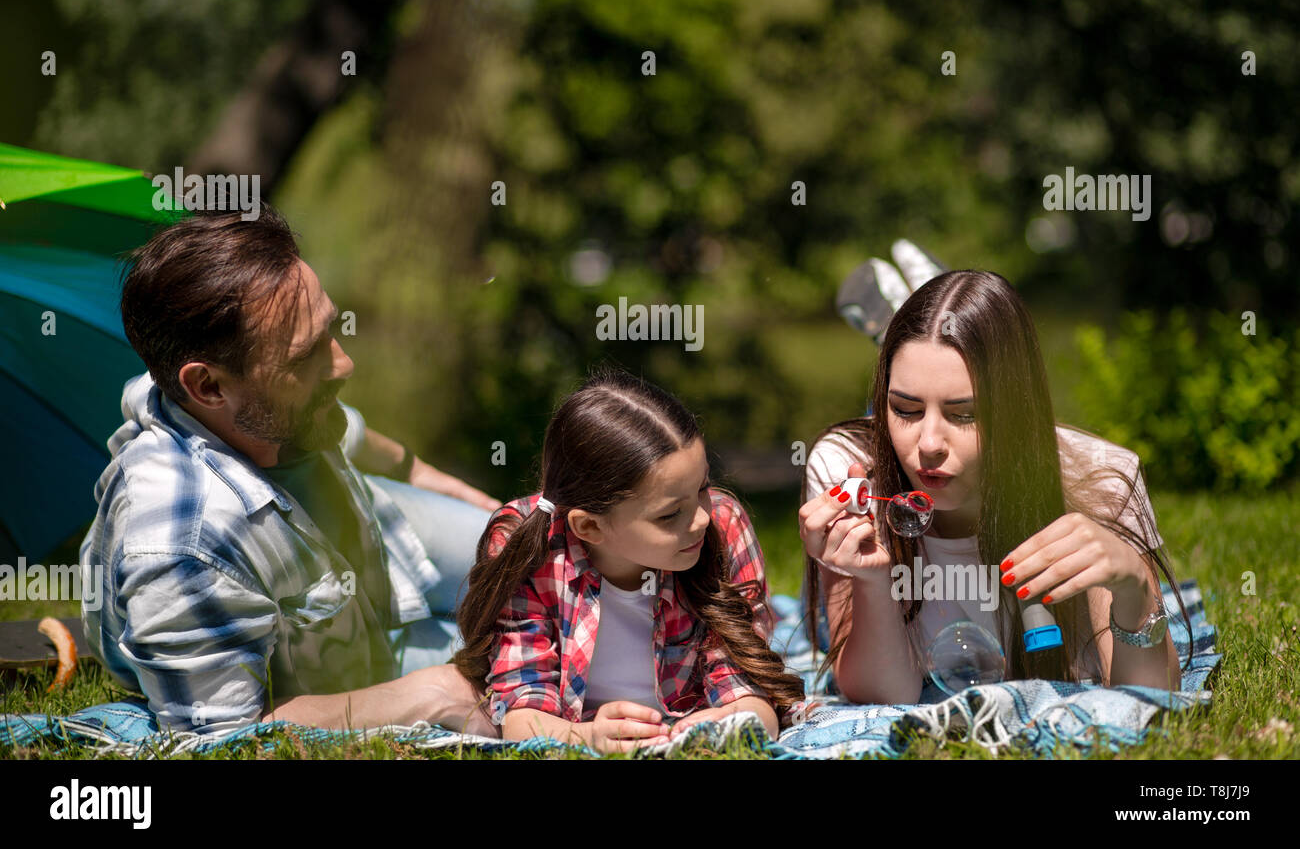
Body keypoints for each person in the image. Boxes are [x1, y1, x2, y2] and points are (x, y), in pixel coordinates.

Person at [80, 205, 501, 736]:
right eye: (306, 358)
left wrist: (440, 483)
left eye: (330, 328)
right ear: (208, 387)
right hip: (348, 670)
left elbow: (356, 435)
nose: (344, 364)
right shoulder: (179, 547)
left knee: (559, 558)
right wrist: (434, 694)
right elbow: (226, 739)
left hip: (383, 536)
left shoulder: (268, 407)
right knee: (557, 674)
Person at [798, 270, 1190, 705]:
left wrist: (1133, 589)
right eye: (904, 409)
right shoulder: (848, 470)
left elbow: (1148, 699)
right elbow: (884, 697)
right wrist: (871, 581)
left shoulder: (1100, 481)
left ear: (1015, 412)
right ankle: (910, 329)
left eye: (964, 414)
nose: (928, 445)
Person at [452, 369, 804, 753]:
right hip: (571, 714)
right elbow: (522, 713)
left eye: (702, 487)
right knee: (437, 687)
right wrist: (588, 738)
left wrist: (727, 722)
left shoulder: (723, 524)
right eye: (670, 515)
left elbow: (750, 694)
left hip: (681, 715)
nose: (702, 517)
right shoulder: (526, 548)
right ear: (589, 526)